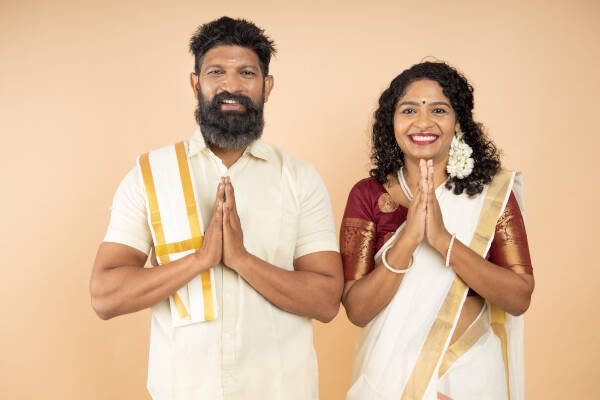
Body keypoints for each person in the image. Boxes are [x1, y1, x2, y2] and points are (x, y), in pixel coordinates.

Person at [90, 16, 343, 400]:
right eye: (216, 73)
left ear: (267, 86)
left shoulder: (300, 179)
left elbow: (326, 301)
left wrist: (241, 259)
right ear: (196, 83)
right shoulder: (150, 174)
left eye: (246, 73)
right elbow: (104, 295)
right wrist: (200, 260)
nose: (231, 86)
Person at [340, 62, 534, 399]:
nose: (423, 122)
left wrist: (443, 240)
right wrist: (411, 237)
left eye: (439, 110)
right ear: (393, 121)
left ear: (458, 122)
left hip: (471, 372)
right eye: (409, 109)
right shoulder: (368, 195)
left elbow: (519, 297)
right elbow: (356, 309)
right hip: (390, 374)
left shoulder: (490, 195)